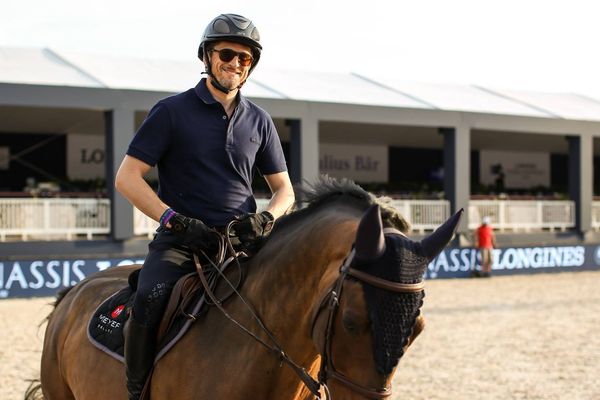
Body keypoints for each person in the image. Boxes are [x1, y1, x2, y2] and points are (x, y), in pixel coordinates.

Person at [114, 13, 295, 400]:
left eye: (245, 59)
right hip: (182, 241)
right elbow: (127, 178)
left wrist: (266, 219)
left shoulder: (260, 120)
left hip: (242, 241)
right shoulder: (171, 111)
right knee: (149, 298)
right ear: (207, 57)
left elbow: (285, 192)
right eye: (227, 54)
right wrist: (173, 220)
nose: (235, 64)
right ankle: (136, 391)